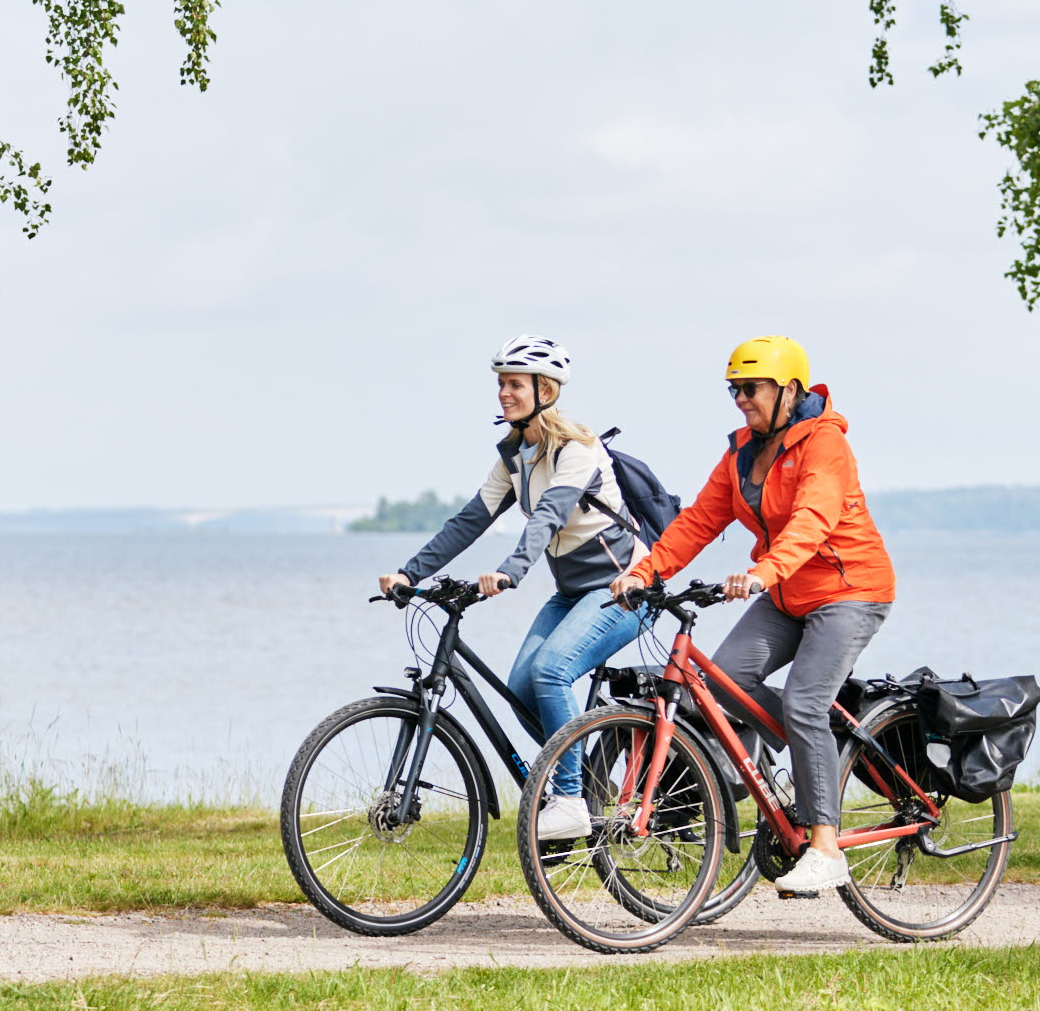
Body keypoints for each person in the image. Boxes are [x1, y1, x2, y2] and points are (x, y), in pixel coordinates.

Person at [613, 335, 896, 895]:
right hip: (787, 592)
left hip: (849, 589)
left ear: (789, 390)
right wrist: (646, 571)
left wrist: (765, 571)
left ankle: (825, 848)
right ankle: (820, 750)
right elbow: (698, 521)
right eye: (734, 390)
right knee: (723, 681)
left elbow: (813, 521)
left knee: (804, 702)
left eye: (751, 388)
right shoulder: (742, 451)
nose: (741, 399)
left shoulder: (825, 444)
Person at [379, 335, 647, 840]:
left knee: (551, 671)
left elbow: (548, 517)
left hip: (623, 590)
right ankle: (589, 783)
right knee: (522, 688)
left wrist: (510, 571)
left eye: (515, 384)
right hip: (573, 593)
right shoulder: (515, 457)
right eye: (501, 383)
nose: (504, 393)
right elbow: (469, 521)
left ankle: (568, 799)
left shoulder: (578, 451)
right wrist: (410, 573)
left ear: (545, 390)